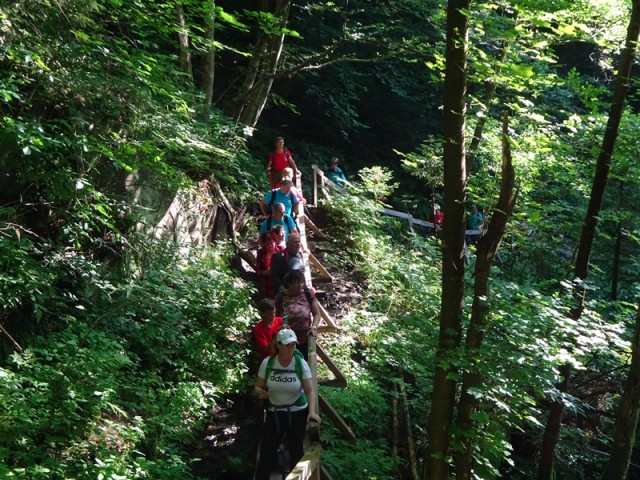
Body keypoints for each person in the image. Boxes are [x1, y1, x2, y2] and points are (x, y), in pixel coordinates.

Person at [254, 328, 320, 480]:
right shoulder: (268, 363)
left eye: (293, 344)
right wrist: (260, 392)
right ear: (278, 345)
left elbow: (310, 390)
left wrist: (312, 412)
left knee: (296, 449)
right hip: (274, 412)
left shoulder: (300, 363)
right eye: (287, 344)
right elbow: (257, 386)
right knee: (267, 451)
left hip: (297, 412)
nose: (291, 347)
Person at [275, 270, 321, 360]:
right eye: (296, 282)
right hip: (286, 340)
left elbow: (317, 313)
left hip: (305, 339)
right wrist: (281, 327)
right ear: (288, 283)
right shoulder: (281, 296)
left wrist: (314, 327)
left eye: (301, 282)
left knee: (304, 366)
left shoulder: (308, 294)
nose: (300, 285)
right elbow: (276, 317)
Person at [256, 231, 285, 298]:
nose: (269, 246)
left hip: (281, 284)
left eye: (271, 243)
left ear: (275, 242)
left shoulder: (282, 250)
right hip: (267, 286)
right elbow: (257, 271)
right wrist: (265, 272)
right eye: (267, 244)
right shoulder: (261, 253)